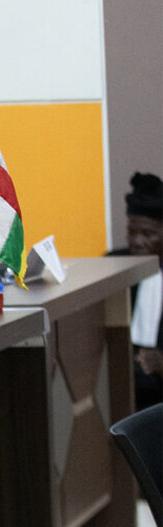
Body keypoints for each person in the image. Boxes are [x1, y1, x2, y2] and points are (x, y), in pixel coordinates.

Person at [117, 172, 163, 409]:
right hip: (125, 378)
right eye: (132, 232)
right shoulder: (115, 267)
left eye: (148, 234)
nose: (138, 242)